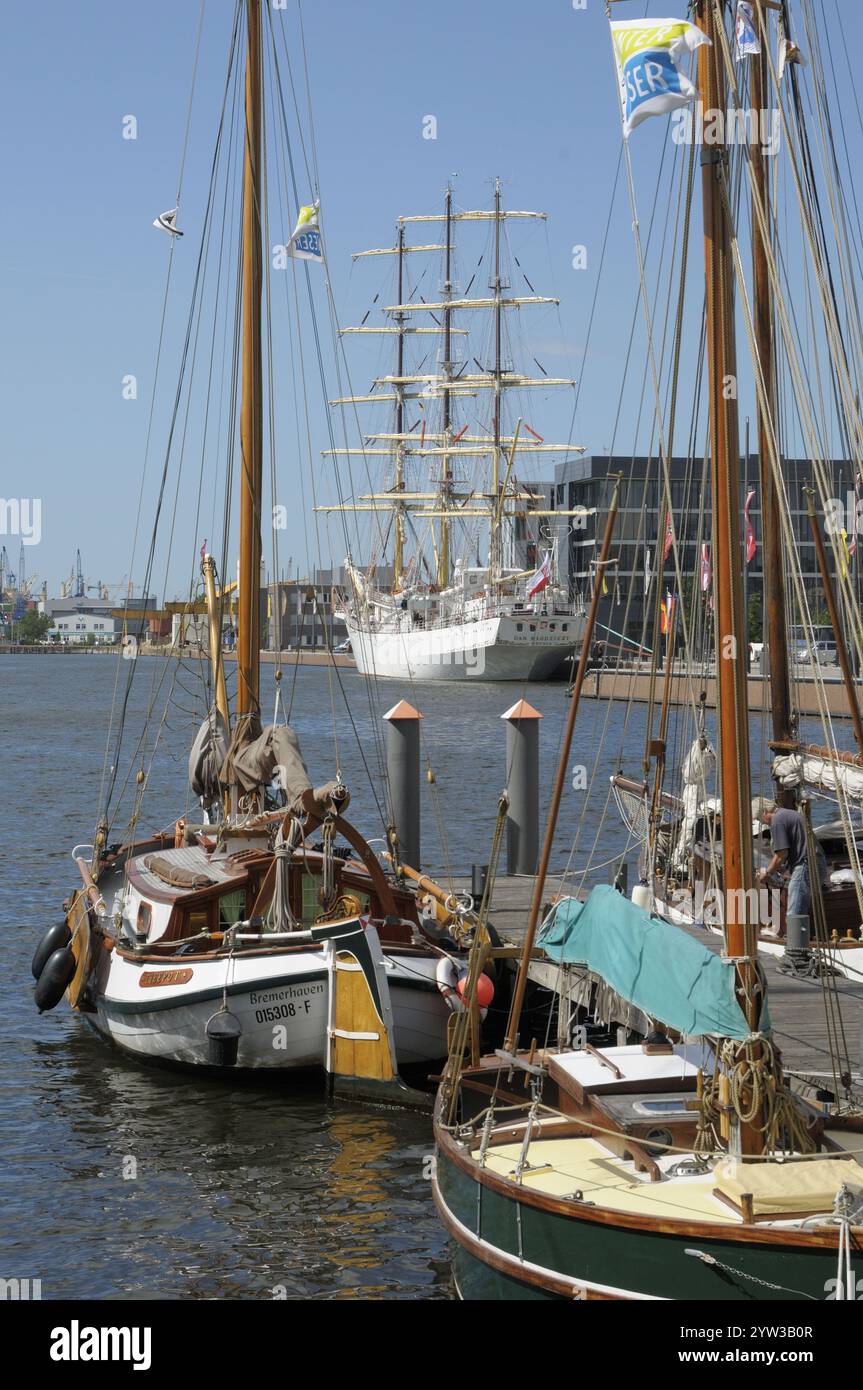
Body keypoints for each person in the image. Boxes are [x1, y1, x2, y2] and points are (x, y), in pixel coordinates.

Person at [751, 796, 829, 921]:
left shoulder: (777, 821)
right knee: (801, 908)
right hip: (816, 863)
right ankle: (802, 937)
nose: (762, 822)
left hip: (805, 866)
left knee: (794, 913)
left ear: (764, 812)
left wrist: (767, 873)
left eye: (759, 818)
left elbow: (781, 854)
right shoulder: (789, 814)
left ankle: (795, 940)